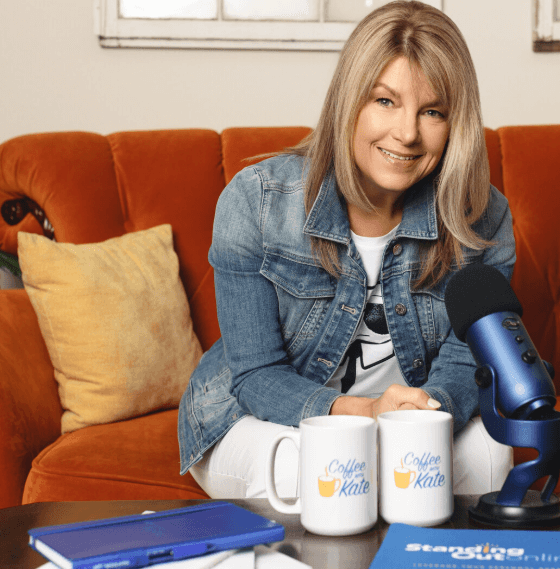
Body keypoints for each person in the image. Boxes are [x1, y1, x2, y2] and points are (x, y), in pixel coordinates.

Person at [178, 0, 515, 500]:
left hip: (407, 421)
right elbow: (255, 374)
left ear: (454, 122)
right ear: (348, 100)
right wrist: (363, 416)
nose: (406, 133)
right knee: (316, 474)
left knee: (492, 456)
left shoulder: (482, 217)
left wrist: (418, 420)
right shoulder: (256, 202)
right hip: (263, 418)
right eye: (385, 101)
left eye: (432, 111)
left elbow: (468, 365)